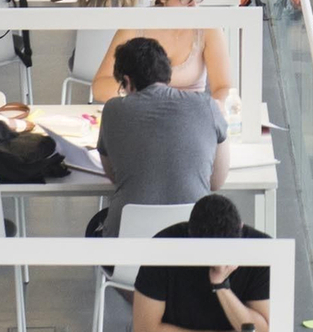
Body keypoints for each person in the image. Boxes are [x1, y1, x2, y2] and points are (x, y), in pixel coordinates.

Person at [93, 37, 229, 230]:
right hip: (191, 233)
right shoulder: (207, 105)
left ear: (127, 81)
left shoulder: (112, 110)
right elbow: (216, 181)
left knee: (95, 226)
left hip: (129, 236)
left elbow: (114, 175)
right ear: (167, 74)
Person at [131, 191, 270, 332]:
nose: (219, 264)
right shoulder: (163, 246)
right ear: (190, 236)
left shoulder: (260, 250)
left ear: (241, 228)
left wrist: (221, 286)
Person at [90, 0, 232, 102]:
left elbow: (223, 88)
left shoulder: (207, 28)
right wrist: (134, 92)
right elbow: (100, 87)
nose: (194, 5)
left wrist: (214, 109)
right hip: (144, 111)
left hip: (189, 111)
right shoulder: (136, 26)